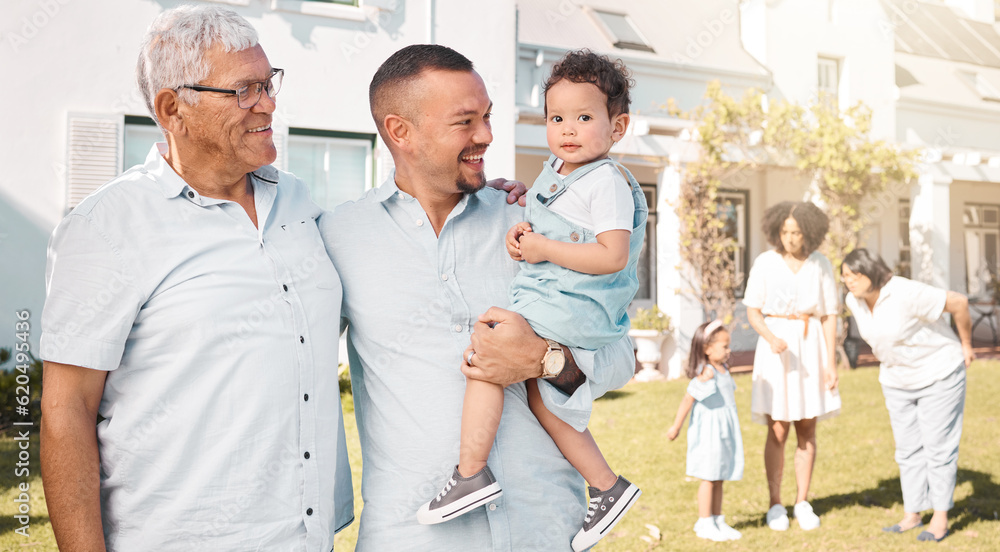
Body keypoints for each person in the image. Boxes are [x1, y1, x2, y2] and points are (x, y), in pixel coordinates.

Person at [38, 6, 353, 550]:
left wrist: (490, 196)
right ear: (172, 109)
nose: (269, 103)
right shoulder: (106, 228)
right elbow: (65, 411)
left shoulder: (298, 201)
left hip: (308, 537)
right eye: (245, 90)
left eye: (269, 83)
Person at [319, 44, 637, 551]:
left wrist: (546, 360)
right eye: (466, 121)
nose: (487, 135)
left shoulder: (531, 222)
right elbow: (293, 373)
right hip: (411, 539)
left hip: (545, 530)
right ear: (400, 132)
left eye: (487, 117)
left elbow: (620, 353)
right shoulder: (337, 237)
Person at [415, 50, 645, 552]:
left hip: (575, 306)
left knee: (489, 354)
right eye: (556, 118)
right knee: (543, 400)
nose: (568, 129)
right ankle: (607, 485)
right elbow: (557, 213)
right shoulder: (562, 172)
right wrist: (522, 207)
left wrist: (539, 247)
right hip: (560, 304)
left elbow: (611, 255)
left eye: (585, 118)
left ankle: (471, 473)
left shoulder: (605, 180)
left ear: (618, 125)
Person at [841, 248, 973, 543]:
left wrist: (966, 344)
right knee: (907, 448)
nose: (848, 281)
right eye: (845, 276)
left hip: (939, 373)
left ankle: (940, 517)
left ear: (872, 270)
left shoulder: (905, 292)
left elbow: (959, 303)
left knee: (938, 447)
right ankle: (913, 513)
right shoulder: (854, 299)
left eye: (854, 275)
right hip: (896, 380)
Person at [743, 201, 841, 531]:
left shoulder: (821, 264)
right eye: (785, 232)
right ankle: (775, 504)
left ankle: (802, 501)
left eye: (796, 232)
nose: (790, 238)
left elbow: (829, 315)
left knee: (807, 428)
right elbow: (753, 310)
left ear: (809, 233)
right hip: (775, 350)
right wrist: (770, 337)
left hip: (810, 347)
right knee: (778, 428)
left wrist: (831, 362)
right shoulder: (765, 263)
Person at [667, 320, 744, 542]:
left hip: (724, 431)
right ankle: (704, 521)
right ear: (707, 349)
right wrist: (676, 426)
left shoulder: (723, 369)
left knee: (720, 476)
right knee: (709, 477)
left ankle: (718, 519)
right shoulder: (706, 373)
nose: (729, 351)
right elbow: (688, 399)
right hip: (710, 433)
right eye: (724, 346)